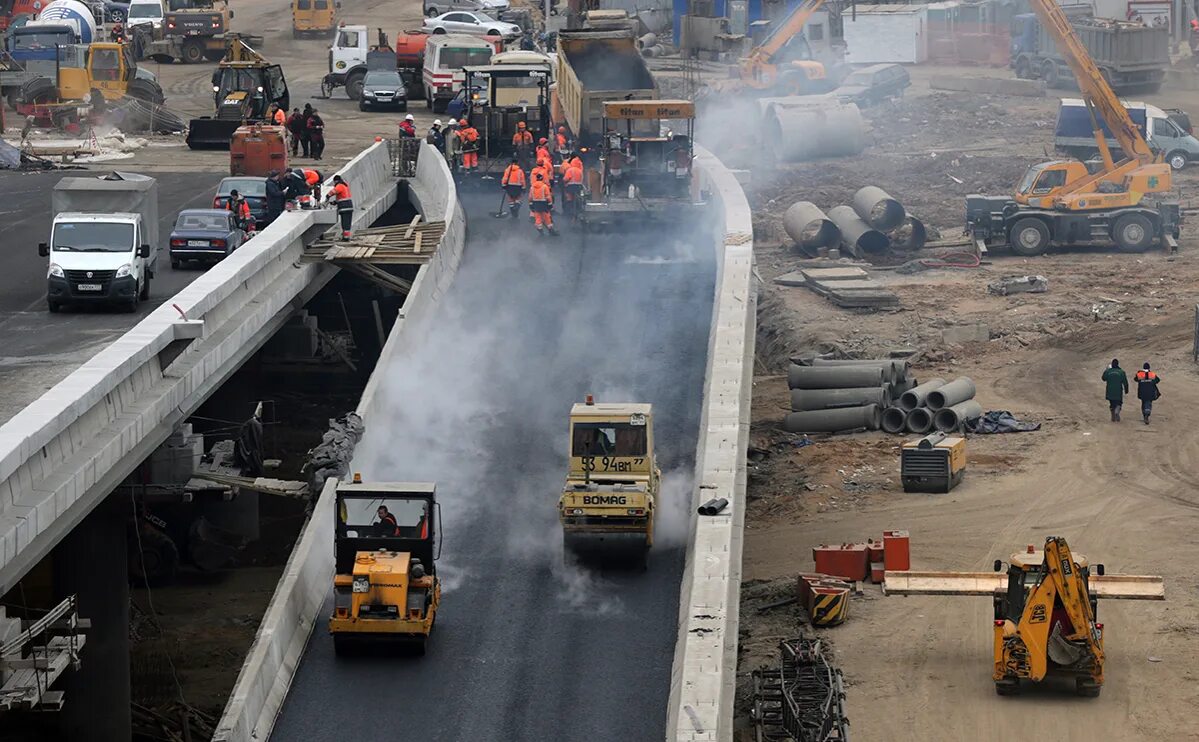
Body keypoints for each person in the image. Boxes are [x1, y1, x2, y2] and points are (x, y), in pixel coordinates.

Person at [325, 174, 354, 240]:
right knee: (347, 223)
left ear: (336, 181)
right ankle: (346, 236)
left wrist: (328, 196)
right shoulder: (345, 186)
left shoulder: (339, 185)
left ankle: (345, 238)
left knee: (344, 223)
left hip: (344, 207)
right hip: (349, 206)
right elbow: (343, 197)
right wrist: (335, 202)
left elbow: (333, 191)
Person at [529, 171, 556, 235]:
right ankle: (550, 229)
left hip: (535, 204)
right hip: (544, 204)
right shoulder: (544, 186)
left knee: (537, 216)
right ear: (542, 179)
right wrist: (550, 205)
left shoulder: (532, 187)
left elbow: (530, 197)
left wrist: (531, 205)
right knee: (546, 216)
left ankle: (540, 229)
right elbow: (548, 197)